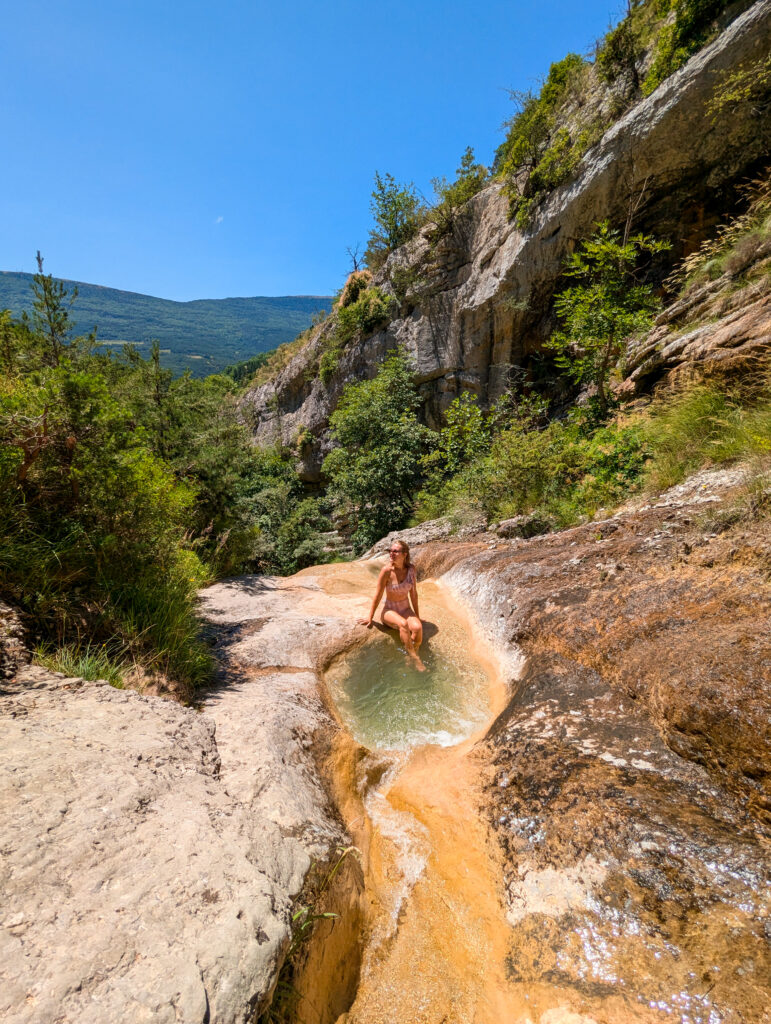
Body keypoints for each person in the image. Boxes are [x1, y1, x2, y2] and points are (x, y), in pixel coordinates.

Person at [359, 538, 425, 670]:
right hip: (390, 610)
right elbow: (377, 595)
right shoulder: (386, 571)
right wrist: (370, 617)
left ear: (404, 554)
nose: (391, 554)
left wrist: (417, 616)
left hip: (406, 608)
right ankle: (415, 659)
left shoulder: (411, 569)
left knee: (417, 628)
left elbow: (414, 594)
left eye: (395, 551)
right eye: (390, 551)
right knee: (403, 624)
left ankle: (410, 653)